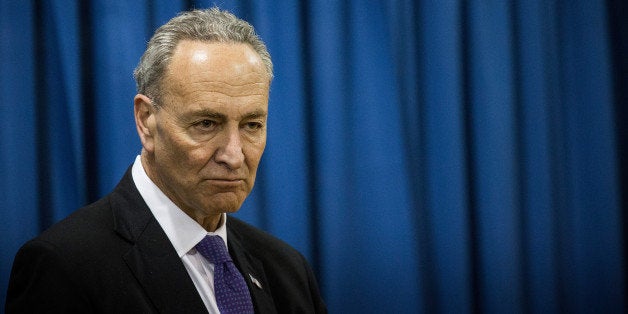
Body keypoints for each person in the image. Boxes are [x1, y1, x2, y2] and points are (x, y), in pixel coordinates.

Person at [6, 8, 326, 314]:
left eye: (252, 125)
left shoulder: (288, 270)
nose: (234, 155)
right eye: (206, 124)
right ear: (147, 120)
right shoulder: (65, 267)